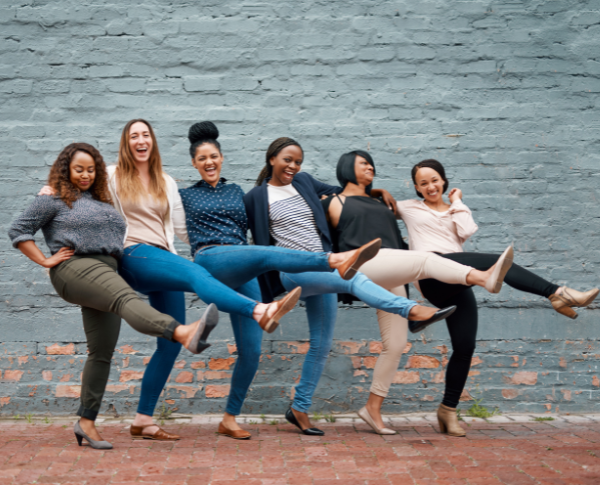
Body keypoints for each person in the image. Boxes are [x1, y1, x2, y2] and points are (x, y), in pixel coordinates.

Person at [39, 120, 303, 441]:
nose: (141, 140)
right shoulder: (112, 174)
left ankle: (143, 420)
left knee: (170, 343)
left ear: (153, 142)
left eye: (146, 135)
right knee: (193, 272)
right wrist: (52, 190)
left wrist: (218, 243)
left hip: (162, 255)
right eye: (134, 135)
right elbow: (81, 178)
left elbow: (181, 229)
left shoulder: (166, 181)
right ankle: (260, 311)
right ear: (126, 142)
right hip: (134, 254)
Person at [244, 138, 508, 435]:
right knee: (360, 275)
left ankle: (301, 408)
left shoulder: (303, 182)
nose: (293, 166)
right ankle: (421, 307)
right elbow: (252, 236)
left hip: (321, 264)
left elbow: (338, 189)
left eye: (298, 161)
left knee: (325, 344)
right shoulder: (256, 196)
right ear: (271, 159)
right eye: (287, 160)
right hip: (293, 269)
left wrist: (377, 191)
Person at [324, 151, 597, 437]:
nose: (430, 186)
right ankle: (547, 290)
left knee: (454, 346)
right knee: (459, 260)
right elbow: (346, 202)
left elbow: (467, 231)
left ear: (443, 181)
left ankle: (440, 410)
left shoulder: (423, 205)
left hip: (441, 273)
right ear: (416, 187)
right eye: (423, 183)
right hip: (415, 272)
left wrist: (455, 203)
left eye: (435, 180)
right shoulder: (393, 206)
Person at [160, 121, 384, 439]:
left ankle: (229, 418)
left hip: (244, 263)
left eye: (213, 156)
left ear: (221, 158)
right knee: (266, 254)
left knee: (252, 351)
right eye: (201, 159)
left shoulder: (238, 192)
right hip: (212, 258)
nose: (208, 162)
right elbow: (173, 230)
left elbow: (303, 202)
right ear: (194, 164)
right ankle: (332, 261)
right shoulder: (184, 197)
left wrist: (372, 192)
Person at [9, 143, 218, 450]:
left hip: (106, 270)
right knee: (125, 300)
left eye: (91, 170)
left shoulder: (103, 199)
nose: (85, 175)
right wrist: (45, 260)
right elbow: (18, 230)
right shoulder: (52, 197)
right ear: (65, 168)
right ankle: (183, 332)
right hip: (75, 267)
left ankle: (86, 422)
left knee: (102, 350)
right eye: (78, 169)